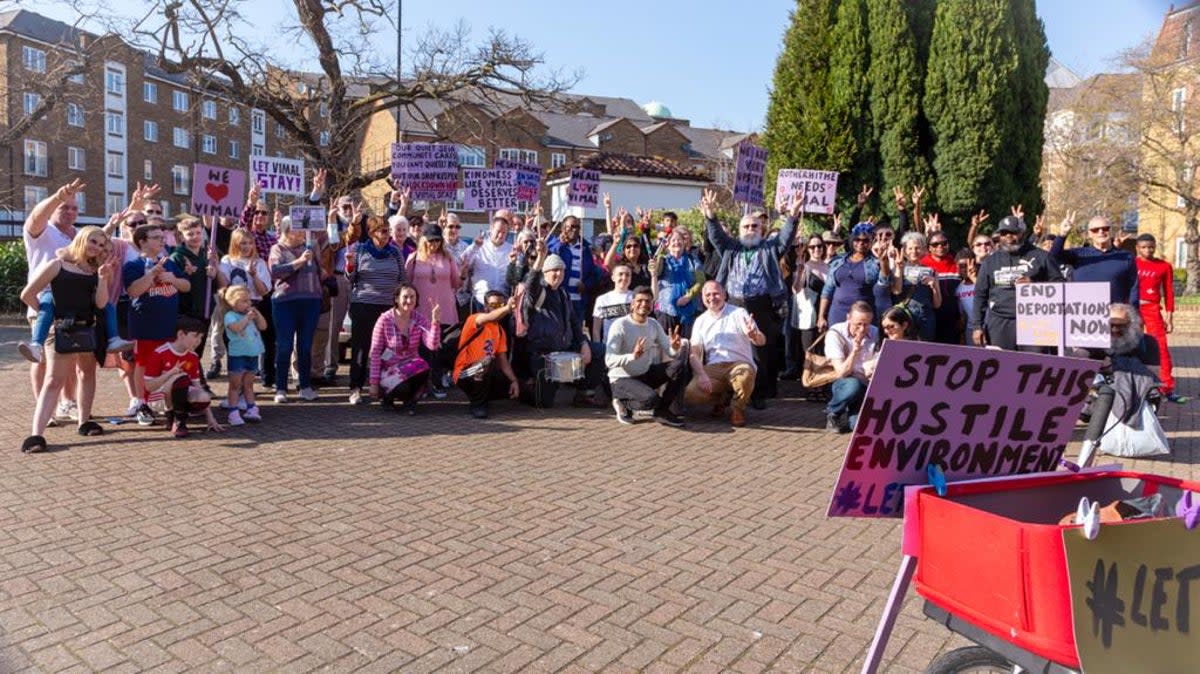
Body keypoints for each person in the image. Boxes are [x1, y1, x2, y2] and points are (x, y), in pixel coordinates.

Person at [701, 187, 802, 409]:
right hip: (734, 305)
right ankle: (733, 390)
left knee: (761, 350)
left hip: (762, 305)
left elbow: (785, 238)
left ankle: (758, 393)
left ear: (761, 229)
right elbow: (716, 235)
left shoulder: (769, 248)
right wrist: (710, 215)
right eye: (746, 226)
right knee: (736, 346)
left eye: (754, 226)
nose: (750, 229)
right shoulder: (731, 248)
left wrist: (793, 216)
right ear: (739, 230)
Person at [20, 227, 112, 452]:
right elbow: (28, 294)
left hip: (87, 330)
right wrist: (49, 317)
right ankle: (36, 435)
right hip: (60, 331)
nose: (96, 248)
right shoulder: (57, 265)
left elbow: (101, 304)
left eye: (101, 245)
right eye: (93, 241)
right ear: (82, 238)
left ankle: (84, 421)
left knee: (87, 374)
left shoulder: (95, 270)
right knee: (53, 381)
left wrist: (102, 279)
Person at [20, 179, 85, 422]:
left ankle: (67, 403)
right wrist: (58, 196)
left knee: (69, 358)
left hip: (73, 305)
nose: (69, 211)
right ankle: (44, 409)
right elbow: (36, 217)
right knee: (42, 359)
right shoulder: (41, 231)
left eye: (73, 208)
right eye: (64, 207)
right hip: (43, 304)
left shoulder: (78, 235)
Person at [1076, 304, 1163, 467]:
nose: (1115, 329)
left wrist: (1117, 366)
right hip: (1099, 394)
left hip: (1135, 392)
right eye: (1111, 324)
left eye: (1120, 325)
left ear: (1131, 325)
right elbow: (1079, 368)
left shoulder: (1147, 343)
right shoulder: (1092, 341)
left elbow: (1153, 376)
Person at [124, 223, 191, 424]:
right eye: (156, 237)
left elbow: (186, 286)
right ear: (142, 242)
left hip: (169, 325)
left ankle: (164, 403)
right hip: (145, 325)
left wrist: (172, 279)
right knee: (143, 365)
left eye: (162, 237)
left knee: (167, 363)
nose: (162, 240)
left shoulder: (170, 263)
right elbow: (133, 291)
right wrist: (152, 274)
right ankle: (142, 403)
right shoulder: (133, 266)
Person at [521, 240, 597, 408]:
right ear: (545, 272)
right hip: (542, 353)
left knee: (598, 351)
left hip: (563, 349)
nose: (558, 274)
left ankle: (583, 393)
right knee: (544, 402)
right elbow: (530, 284)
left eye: (561, 270)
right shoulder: (538, 292)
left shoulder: (563, 293)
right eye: (554, 270)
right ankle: (522, 389)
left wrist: (584, 343)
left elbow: (575, 323)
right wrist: (540, 258)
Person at [971, 215, 1063, 350]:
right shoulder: (990, 261)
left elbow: (1061, 285)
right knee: (1002, 366)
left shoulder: (1042, 256)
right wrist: (977, 326)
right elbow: (980, 295)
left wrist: (1035, 286)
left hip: (1035, 321)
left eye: (1013, 232)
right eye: (1003, 233)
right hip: (1000, 322)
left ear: (1022, 233)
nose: (1008, 236)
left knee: (1035, 367)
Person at [683, 280, 766, 428]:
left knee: (745, 376)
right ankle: (721, 400)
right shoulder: (700, 321)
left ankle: (738, 409)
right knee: (691, 393)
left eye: (716, 293)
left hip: (738, 363)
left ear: (724, 295)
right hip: (714, 367)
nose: (712, 298)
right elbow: (694, 353)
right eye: (707, 294)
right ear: (702, 298)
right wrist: (701, 375)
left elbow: (761, 341)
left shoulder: (739, 313)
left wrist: (754, 336)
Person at [606, 286, 688, 427]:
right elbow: (609, 360)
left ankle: (662, 411)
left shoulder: (653, 324)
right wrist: (632, 356)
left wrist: (674, 348)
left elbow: (670, 352)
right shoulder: (620, 325)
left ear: (652, 305)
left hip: (644, 374)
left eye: (648, 301)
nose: (644, 304)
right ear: (632, 304)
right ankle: (622, 402)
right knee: (651, 399)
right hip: (621, 379)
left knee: (681, 367)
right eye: (640, 300)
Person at [346, 216, 406, 405]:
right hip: (363, 305)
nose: (387, 234)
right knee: (361, 348)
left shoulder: (395, 252)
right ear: (372, 233)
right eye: (383, 231)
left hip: (387, 308)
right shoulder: (360, 250)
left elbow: (402, 278)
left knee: (387, 349)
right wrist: (349, 265)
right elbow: (351, 277)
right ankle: (356, 388)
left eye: (388, 230)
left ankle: (384, 386)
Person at [142, 316, 225, 438]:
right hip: (157, 398)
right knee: (180, 378)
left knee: (203, 396)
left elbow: (197, 385)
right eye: (195, 336)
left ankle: (177, 419)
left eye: (201, 337)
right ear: (181, 334)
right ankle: (176, 418)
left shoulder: (193, 357)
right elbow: (148, 386)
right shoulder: (160, 352)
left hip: (178, 392)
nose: (198, 341)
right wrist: (171, 373)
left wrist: (211, 418)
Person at [268, 216, 322, 403]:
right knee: (284, 346)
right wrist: (298, 262)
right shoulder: (277, 249)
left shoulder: (310, 247)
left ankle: (305, 386)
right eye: (298, 230)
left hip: (310, 301)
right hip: (285, 302)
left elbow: (320, 270)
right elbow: (276, 271)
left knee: (305, 346)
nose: (302, 234)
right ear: (287, 231)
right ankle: (281, 387)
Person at [406, 223, 461, 397]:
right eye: (431, 240)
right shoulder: (414, 258)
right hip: (421, 311)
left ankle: (437, 383)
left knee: (440, 349)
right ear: (423, 240)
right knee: (422, 349)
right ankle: (422, 385)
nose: (434, 244)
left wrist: (463, 271)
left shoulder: (448, 257)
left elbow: (456, 283)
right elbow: (406, 284)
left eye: (437, 240)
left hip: (445, 309)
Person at [368, 284, 441, 414]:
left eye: (412, 297)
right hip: (388, 371)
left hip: (410, 368)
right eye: (405, 297)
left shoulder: (419, 318)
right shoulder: (384, 320)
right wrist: (374, 383)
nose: (409, 300)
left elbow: (432, 345)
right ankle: (387, 398)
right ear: (396, 299)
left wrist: (435, 323)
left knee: (422, 365)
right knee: (403, 385)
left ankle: (410, 402)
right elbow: (375, 353)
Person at [454, 290, 521, 419]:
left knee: (520, 387)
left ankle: (484, 396)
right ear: (485, 306)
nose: (498, 308)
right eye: (493, 305)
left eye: (501, 305)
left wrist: (514, 381)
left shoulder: (500, 331)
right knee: (487, 361)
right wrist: (507, 308)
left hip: (483, 371)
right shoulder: (475, 319)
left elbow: (503, 361)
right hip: (464, 374)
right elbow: (490, 317)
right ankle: (478, 404)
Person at [1134, 233, 1184, 403]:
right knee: (1130, 345)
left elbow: (1168, 292)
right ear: (1137, 248)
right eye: (1144, 247)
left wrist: (1169, 317)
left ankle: (1167, 388)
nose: (1148, 250)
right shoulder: (1131, 263)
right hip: (1132, 308)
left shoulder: (1163, 266)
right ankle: (1132, 385)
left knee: (1161, 347)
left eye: (1151, 247)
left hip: (1152, 308)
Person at [1050, 214, 1139, 305]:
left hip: (1114, 315)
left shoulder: (1126, 256)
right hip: (1083, 313)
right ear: (1089, 234)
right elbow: (1054, 257)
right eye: (1095, 230)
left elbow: (1133, 288)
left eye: (1105, 228)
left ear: (1111, 231)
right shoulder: (1078, 254)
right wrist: (1062, 234)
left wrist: (1133, 313)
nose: (1101, 232)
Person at [819, 223, 890, 331]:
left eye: (865, 240)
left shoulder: (875, 263)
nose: (861, 243)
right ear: (852, 240)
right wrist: (821, 316)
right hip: (837, 313)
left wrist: (884, 261)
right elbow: (827, 290)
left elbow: (884, 282)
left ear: (872, 241)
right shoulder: (838, 261)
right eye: (857, 239)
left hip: (863, 317)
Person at [824, 301, 881, 434]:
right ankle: (833, 412)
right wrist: (854, 352)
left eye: (866, 324)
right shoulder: (835, 333)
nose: (862, 329)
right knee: (853, 385)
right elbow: (840, 373)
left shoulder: (875, 333)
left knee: (859, 427)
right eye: (858, 324)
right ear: (848, 318)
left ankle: (852, 415)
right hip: (843, 383)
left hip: (866, 385)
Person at [782, 233, 830, 381]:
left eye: (819, 246)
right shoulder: (804, 267)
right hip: (810, 315)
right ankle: (810, 383)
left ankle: (822, 384)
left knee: (825, 350)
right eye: (813, 246)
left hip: (828, 313)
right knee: (810, 352)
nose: (816, 249)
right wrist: (800, 272)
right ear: (808, 249)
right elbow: (796, 289)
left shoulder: (829, 266)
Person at [219, 286, 265, 425]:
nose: (248, 304)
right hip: (238, 355)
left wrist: (257, 314)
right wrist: (247, 318)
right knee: (235, 385)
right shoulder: (230, 316)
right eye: (244, 301)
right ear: (234, 302)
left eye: (249, 300)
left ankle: (251, 409)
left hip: (252, 354)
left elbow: (263, 326)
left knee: (249, 384)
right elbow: (236, 328)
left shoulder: (250, 313)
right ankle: (233, 413)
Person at [649, 229, 705, 338]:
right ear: (668, 245)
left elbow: (701, 281)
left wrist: (688, 296)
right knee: (666, 344)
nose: (676, 242)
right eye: (673, 240)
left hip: (690, 309)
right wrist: (661, 250)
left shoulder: (693, 260)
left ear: (684, 242)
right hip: (666, 310)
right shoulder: (662, 260)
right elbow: (656, 270)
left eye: (679, 240)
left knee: (687, 344)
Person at [547, 215, 603, 322]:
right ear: (563, 228)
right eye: (571, 226)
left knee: (576, 332)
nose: (575, 229)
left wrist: (586, 285)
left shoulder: (585, 249)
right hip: (560, 298)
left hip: (578, 301)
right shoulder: (555, 244)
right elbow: (549, 261)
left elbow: (593, 274)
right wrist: (561, 244)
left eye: (577, 227)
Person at [888, 231, 942, 341]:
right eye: (910, 248)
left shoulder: (931, 271)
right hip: (905, 316)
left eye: (917, 248)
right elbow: (897, 291)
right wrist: (899, 269)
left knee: (925, 349)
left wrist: (935, 285)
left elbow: (937, 304)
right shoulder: (897, 268)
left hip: (926, 316)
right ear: (904, 250)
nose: (914, 251)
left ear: (923, 250)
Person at [462, 216, 514, 309]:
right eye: (498, 231)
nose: (501, 235)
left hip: (502, 301)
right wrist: (474, 247)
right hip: (481, 300)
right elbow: (464, 261)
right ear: (491, 229)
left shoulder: (511, 249)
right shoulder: (479, 246)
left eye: (504, 232)